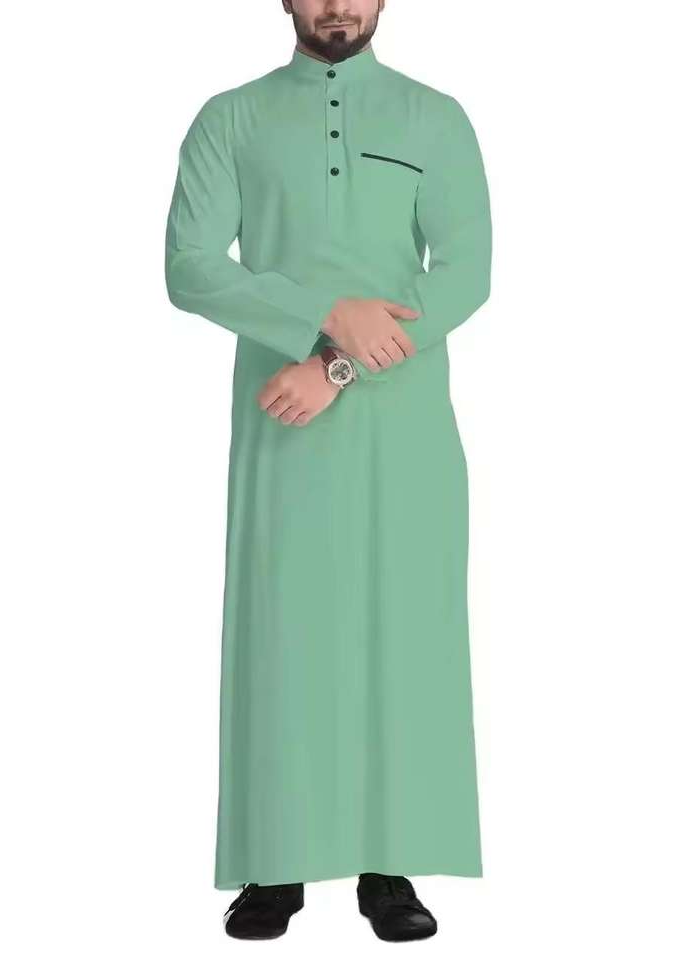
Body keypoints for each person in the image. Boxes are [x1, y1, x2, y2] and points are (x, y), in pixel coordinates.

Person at [164, 0, 492, 942]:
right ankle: (275, 864)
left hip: (403, 424)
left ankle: (392, 865)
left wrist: (337, 362)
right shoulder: (231, 118)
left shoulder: (436, 118)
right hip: (284, 421)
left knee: (404, 635)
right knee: (284, 631)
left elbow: (463, 274)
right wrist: (320, 315)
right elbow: (190, 266)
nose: (337, 5)